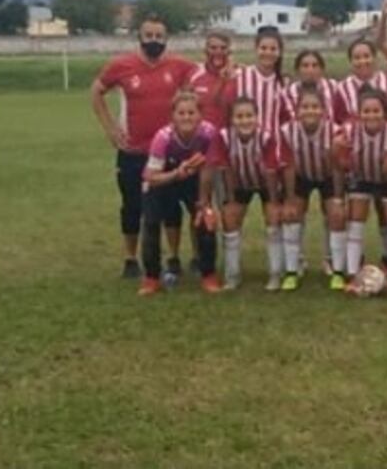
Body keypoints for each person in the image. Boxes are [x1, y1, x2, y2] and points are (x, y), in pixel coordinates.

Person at [91, 15, 196, 279]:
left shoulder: (179, 65)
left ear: (166, 39)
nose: (154, 41)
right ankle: (130, 259)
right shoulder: (121, 65)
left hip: (168, 151)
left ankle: (173, 256)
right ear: (139, 37)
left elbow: (207, 73)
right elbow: (96, 91)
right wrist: (111, 128)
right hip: (133, 151)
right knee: (132, 205)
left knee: (171, 206)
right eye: (148, 36)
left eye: (159, 36)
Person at [137, 90, 222, 296]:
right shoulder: (163, 137)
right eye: (181, 113)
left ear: (200, 115)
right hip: (163, 179)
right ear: (173, 116)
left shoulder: (209, 133)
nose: (186, 117)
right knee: (150, 223)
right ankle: (151, 277)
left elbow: (208, 169)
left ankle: (208, 274)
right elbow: (149, 176)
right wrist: (176, 173)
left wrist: (203, 202)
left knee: (205, 219)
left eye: (191, 113)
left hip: (194, 179)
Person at [334, 88, 387, 292]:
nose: (371, 115)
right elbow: (336, 159)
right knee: (356, 221)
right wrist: (338, 149)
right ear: (359, 113)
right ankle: (351, 274)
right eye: (366, 111)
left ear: (385, 113)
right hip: (362, 177)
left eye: (376, 111)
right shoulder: (349, 131)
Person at [206, 97, 283, 291]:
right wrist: (231, 200)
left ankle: (275, 273)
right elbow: (225, 169)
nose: (245, 120)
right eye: (239, 116)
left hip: (266, 183)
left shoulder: (266, 137)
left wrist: (273, 201)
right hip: (238, 182)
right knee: (230, 219)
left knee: (273, 219)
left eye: (249, 116)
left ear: (257, 118)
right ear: (232, 119)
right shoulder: (223, 137)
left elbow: (271, 172)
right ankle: (233, 276)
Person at [278, 87, 347, 292]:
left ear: (324, 110)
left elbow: (337, 167)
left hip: (328, 176)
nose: (310, 111)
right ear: (297, 111)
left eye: (315, 106)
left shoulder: (335, 131)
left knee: (336, 215)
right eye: (305, 107)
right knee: (291, 215)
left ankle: (337, 270)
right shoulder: (287, 131)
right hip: (301, 176)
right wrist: (289, 198)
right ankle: (292, 270)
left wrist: (337, 197)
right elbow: (289, 167)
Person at [188, 30, 238, 130]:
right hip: (203, 138)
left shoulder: (240, 75)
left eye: (223, 48)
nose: (218, 52)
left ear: (229, 51)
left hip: (229, 138)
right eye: (213, 48)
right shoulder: (194, 75)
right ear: (205, 50)